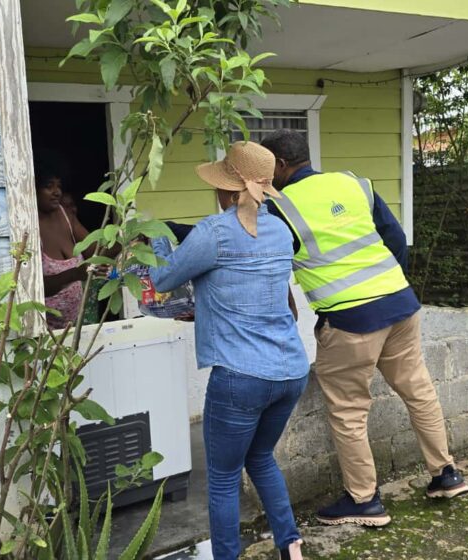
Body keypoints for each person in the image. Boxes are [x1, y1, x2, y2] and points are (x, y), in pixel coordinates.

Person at [260, 129, 468, 527]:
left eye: (267, 169)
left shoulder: (278, 208)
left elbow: (256, 257)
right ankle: (446, 475)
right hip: (400, 305)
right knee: (419, 391)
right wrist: (389, 289)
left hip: (350, 322)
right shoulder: (354, 183)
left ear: (281, 165)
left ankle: (364, 500)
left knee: (349, 411)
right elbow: (396, 238)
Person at [148, 142, 309, 560]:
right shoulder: (281, 231)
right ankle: (291, 548)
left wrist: (158, 238)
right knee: (261, 458)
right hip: (291, 370)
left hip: (241, 376)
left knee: (222, 479)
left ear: (226, 188)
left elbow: (163, 280)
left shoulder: (214, 231)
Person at [37, 172, 107, 329]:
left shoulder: (66, 216)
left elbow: (95, 252)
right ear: (33, 189)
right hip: (45, 330)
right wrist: (75, 274)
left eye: (59, 186)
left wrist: (126, 238)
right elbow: (37, 287)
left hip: (74, 325)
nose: (57, 192)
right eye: (49, 186)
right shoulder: (28, 226)